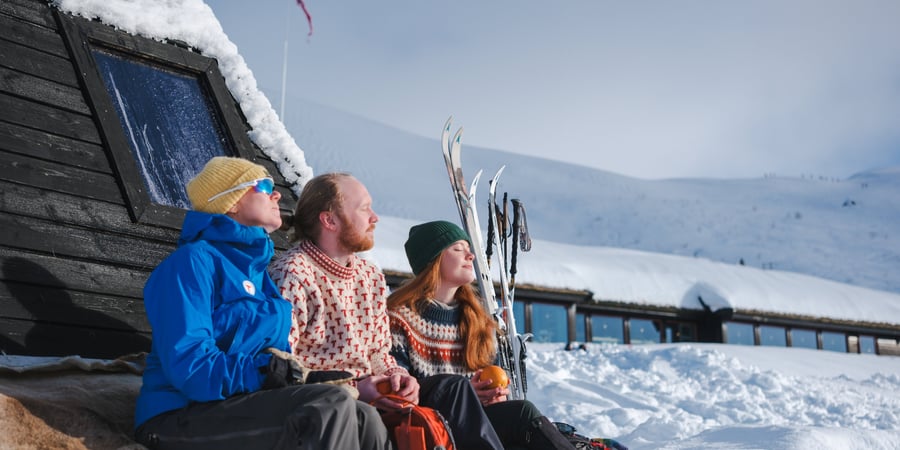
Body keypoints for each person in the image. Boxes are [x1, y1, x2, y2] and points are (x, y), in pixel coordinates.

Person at [134, 157, 389, 450]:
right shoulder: (192, 263)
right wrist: (266, 372)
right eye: (264, 186)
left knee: (365, 416)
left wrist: (302, 376)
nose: (276, 193)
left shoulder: (255, 270)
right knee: (329, 405)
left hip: (236, 405)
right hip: (177, 415)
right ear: (231, 203)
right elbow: (191, 367)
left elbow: (276, 357)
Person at [269, 173, 505, 449]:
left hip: (375, 394)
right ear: (329, 220)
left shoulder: (369, 276)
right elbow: (281, 367)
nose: (375, 217)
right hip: (327, 403)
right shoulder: (294, 275)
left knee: (452, 388)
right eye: (364, 208)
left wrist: (400, 378)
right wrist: (355, 389)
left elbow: (379, 352)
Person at [387, 220, 578, 450]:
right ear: (433, 260)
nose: (471, 256)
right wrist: (467, 394)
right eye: (458, 249)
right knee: (455, 387)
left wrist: (494, 395)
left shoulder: (478, 320)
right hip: (429, 428)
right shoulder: (399, 318)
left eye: (469, 249)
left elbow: (492, 382)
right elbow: (397, 389)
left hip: (476, 428)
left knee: (521, 413)